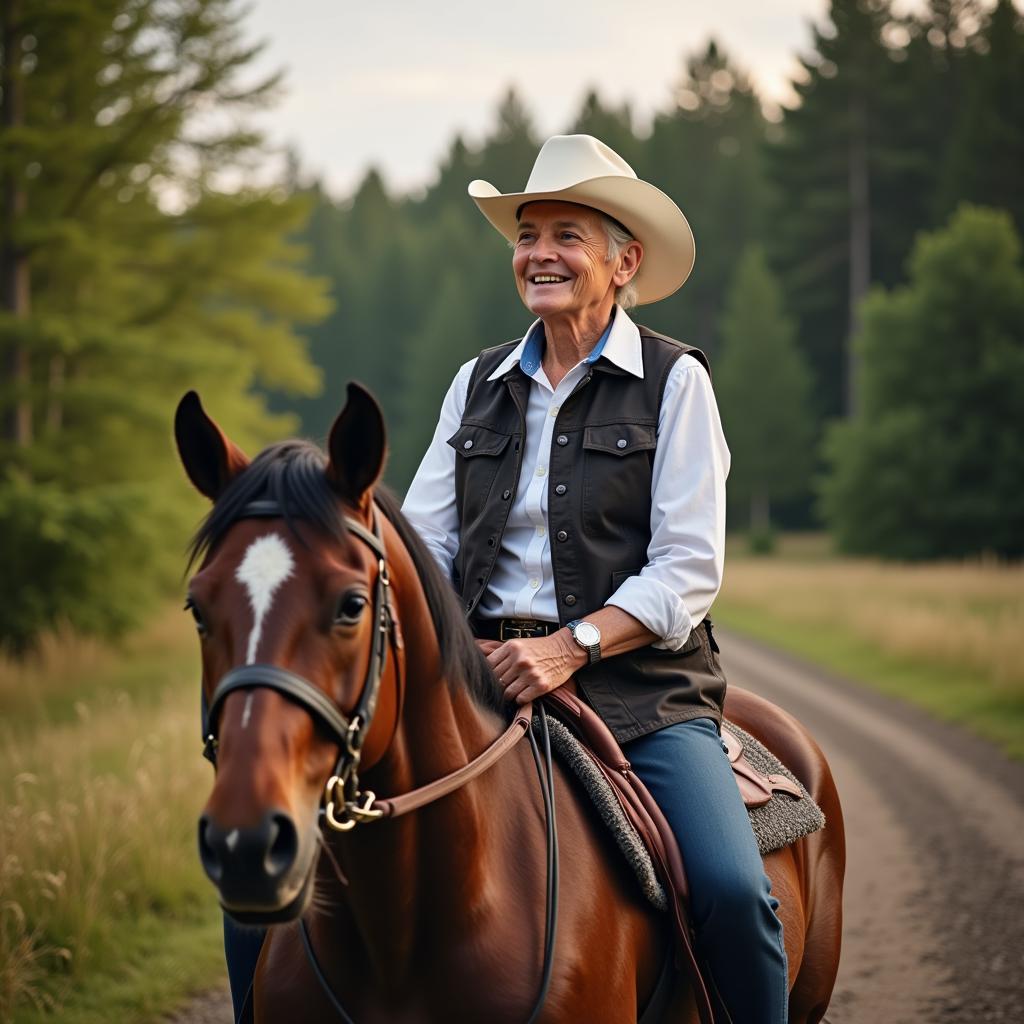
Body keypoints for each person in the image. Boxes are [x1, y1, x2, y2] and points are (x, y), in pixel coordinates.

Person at [402, 134, 788, 1023]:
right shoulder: (476, 384)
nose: (539, 253)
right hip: (475, 679)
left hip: (638, 691)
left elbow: (688, 570)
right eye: (528, 233)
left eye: (567, 234)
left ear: (625, 262)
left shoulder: (676, 381)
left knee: (733, 893)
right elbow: (424, 541)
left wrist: (570, 647)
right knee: (301, 871)